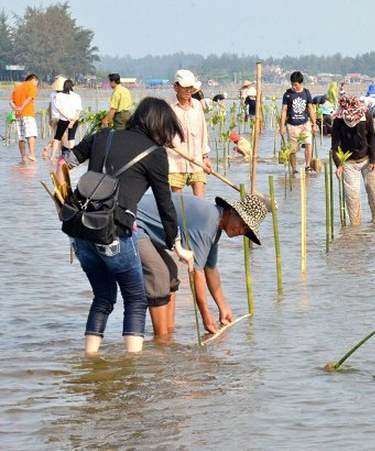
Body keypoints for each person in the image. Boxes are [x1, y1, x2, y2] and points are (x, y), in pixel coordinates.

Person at [59, 97, 194, 355]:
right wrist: (177, 246)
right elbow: (166, 204)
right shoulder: (155, 154)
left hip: (80, 232)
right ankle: (133, 366)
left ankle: (90, 360)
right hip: (115, 233)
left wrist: (63, 201)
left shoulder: (103, 136)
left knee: (103, 298)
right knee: (136, 298)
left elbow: (64, 161)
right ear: (159, 125)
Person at [136, 192, 267, 336]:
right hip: (133, 222)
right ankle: (161, 340)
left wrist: (223, 308)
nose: (241, 231)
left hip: (147, 232)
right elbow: (195, 272)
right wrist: (205, 314)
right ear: (232, 211)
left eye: (246, 230)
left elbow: (210, 269)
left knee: (170, 272)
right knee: (159, 273)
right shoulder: (207, 222)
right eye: (242, 224)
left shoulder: (215, 226)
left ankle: (169, 333)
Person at [331, 94, 375, 225]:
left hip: (367, 159)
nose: (351, 117)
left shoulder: (366, 115)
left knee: (373, 192)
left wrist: (374, 160)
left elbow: (372, 136)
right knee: (352, 198)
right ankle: (355, 228)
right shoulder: (339, 120)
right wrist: (338, 165)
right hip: (349, 163)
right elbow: (334, 146)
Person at [168, 69, 212, 198]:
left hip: (197, 161)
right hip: (175, 163)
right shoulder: (168, 107)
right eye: (185, 87)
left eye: (191, 88)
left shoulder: (197, 105)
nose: (188, 91)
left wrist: (205, 157)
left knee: (201, 203)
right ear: (176, 87)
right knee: (178, 204)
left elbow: (203, 131)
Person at [280, 71, 316, 173]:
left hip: (305, 124)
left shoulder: (306, 93)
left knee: (308, 144)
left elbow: (310, 108)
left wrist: (314, 123)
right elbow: (284, 110)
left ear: (300, 83)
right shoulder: (287, 94)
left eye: (295, 84)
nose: (293, 87)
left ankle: (308, 165)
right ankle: (294, 169)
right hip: (292, 126)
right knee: (292, 149)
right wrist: (282, 126)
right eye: (292, 84)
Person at [9, 74, 39, 163]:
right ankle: (32, 154)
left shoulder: (17, 88)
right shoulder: (32, 86)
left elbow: (10, 102)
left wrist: (16, 109)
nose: (36, 85)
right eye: (37, 83)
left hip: (18, 115)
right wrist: (22, 107)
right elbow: (29, 98)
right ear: (34, 80)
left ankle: (23, 157)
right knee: (31, 134)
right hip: (28, 113)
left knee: (21, 137)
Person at [50, 78, 83, 160]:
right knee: (71, 138)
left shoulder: (58, 96)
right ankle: (71, 156)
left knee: (57, 137)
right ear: (72, 86)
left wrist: (67, 118)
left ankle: (52, 156)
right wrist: (73, 120)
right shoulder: (77, 96)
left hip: (63, 119)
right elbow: (79, 110)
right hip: (74, 119)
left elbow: (59, 109)